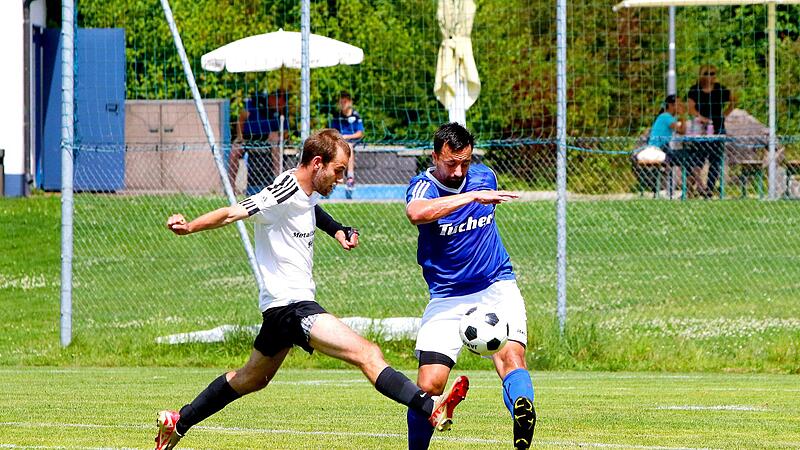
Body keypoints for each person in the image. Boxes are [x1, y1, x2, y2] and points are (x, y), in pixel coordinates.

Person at [154, 129, 469, 450]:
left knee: (251, 379)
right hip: (293, 309)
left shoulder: (302, 191)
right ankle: (430, 407)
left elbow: (310, 208)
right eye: (338, 171)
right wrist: (190, 226)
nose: (341, 179)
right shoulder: (283, 190)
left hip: (280, 312)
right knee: (367, 353)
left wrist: (338, 230)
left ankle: (178, 422)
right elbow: (235, 211)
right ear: (318, 163)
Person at [404, 123, 536, 450]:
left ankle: (523, 412)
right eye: (451, 163)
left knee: (512, 360)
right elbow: (416, 213)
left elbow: (472, 183)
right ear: (435, 156)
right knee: (428, 385)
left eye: (465, 162)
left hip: (496, 286)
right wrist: (469, 197)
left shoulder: (484, 176)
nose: (459, 170)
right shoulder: (424, 187)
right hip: (447, 296)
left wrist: (471, 190)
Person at [686, 65, 737, 197]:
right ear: (701, 75)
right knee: (699, 158)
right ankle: (694, 187)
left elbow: (734, 100)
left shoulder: (720, 89)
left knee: (715, 159)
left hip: (718, 127)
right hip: (701, 129)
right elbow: (690, 108)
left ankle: (709, 189)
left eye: (713, 73)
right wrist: (700, 118)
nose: (711, 76)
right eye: (707, 73)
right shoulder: (695, 90)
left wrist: (725, 114)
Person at [229, 89, 291, 195]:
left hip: (267, 138)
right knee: (234, 151)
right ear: (273, 98)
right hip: (248, 138)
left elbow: (286, 133)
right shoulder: (255, 103)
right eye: (279, 103)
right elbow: (241, 119)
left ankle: (277, 183)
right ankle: (230, 188)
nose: (280, 106)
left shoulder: (282, 112)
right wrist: (240, 137)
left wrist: (280, 132)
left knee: (275, 140)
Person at [328, 91, 364, 198]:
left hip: (352, 141)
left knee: (349, 146)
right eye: (341, 102)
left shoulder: (356, 116)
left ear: (350, 102)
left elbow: (360, 133)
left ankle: (350, 178)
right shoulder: (337, 116)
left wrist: (347, 137)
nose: (343, 104)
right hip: (340, 140)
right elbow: (333, 131)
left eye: (345, 102)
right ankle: (333, 176)